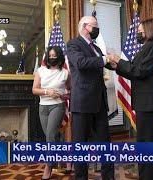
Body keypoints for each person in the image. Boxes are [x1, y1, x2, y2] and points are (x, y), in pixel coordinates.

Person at [108, 19, 153, 180]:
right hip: (146, 101)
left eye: (140, 31)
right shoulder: (148, 47)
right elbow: (134, 70)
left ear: (149, 30)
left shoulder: (152, 47)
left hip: (148, 102)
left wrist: (119, 61)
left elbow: (139, 71)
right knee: (149, 142)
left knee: (144, 143)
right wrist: (115, 65)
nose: (138, 34)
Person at [66, 16, 115, 180]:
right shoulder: (73, 44)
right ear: (84, 26)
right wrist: (104, 59)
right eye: (95, 26)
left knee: (106, 145)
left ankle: (109, 177)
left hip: (100, 102)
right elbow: (81, 63)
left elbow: (108, 64)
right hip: (82, 102)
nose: (97, 28)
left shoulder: (96, 48)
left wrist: (117, 61)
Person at [32, 46, 71, 180]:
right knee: (51, 136)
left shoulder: (65, 73)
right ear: (47, 57)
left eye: (55, 55)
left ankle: (48, 166)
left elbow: (70, 92)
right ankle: (63, 158)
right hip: (43, 107)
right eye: (50, 55)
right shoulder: (40, 71)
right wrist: (47, 92)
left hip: (57, 106)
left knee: (50, 135)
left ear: (59, 57)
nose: (52, 58)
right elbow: (34, 90)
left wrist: (64, 95)